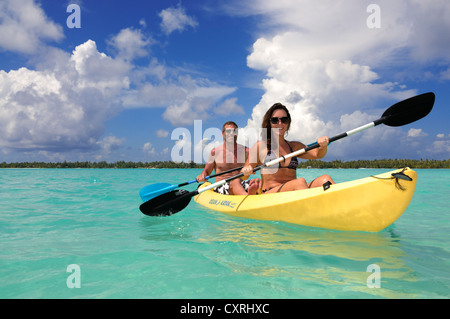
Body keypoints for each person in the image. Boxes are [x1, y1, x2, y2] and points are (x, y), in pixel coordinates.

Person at [241, 103, 335, 193]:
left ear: (288, 122)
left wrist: (323, 146)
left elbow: (317, 154)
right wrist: (246, 171)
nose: (280, 123)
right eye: (275, 120)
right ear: (269, 123)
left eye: (284, 120)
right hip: (270, 193)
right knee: (300, 182)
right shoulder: (260, 146)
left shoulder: (294, 146)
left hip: (294, 191)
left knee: (325, 179)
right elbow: (243, 175)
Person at [196, 121, 261, 195]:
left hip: (241, 184)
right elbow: (207, 172)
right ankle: (247, 199)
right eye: (228, 131)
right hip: (221, 187)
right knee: (235, 181)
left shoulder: (246, 151)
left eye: (234, 131)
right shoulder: (215, 152)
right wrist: (203, 175)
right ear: (222, 134)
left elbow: (258, 164)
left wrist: (251, 169)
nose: (231, 134)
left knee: (257, 181)